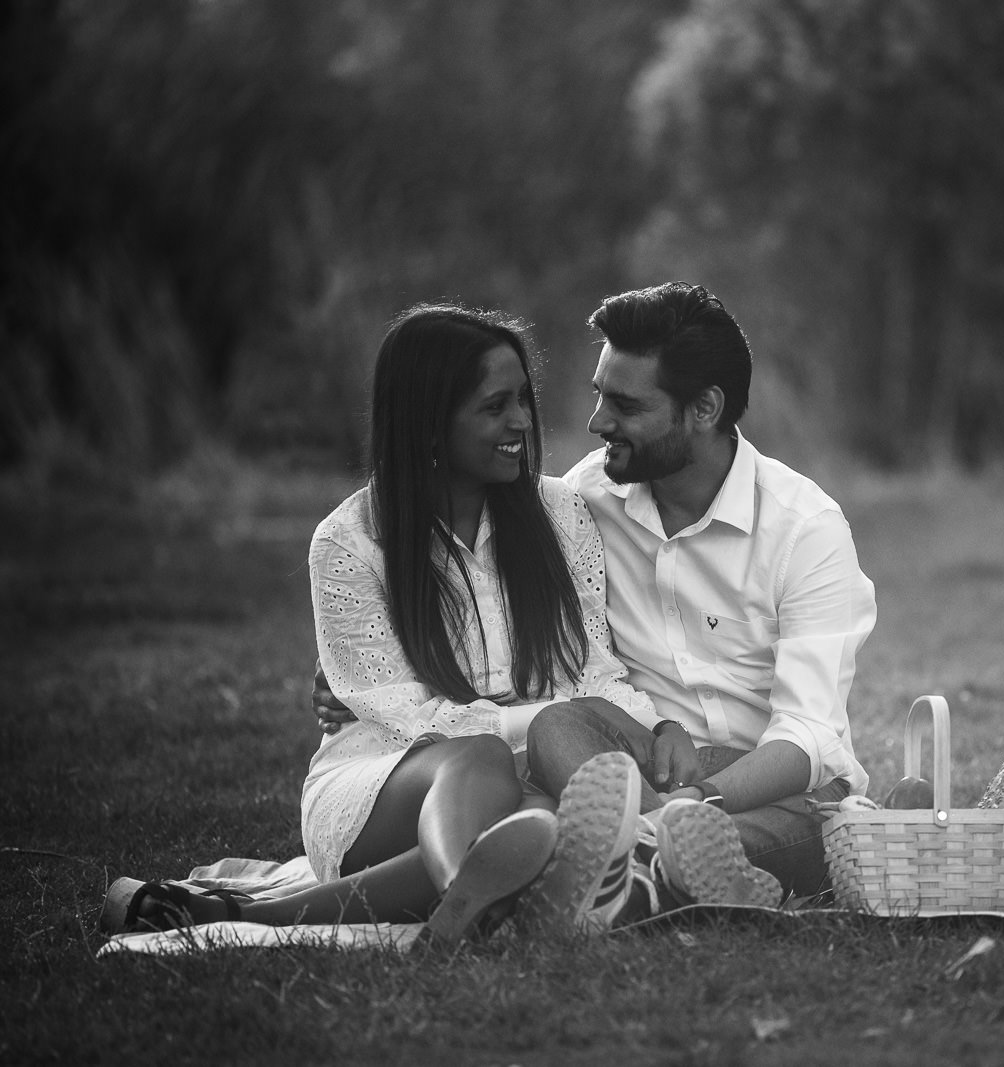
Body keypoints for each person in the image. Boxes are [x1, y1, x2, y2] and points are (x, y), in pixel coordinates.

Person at [101, 304, 653, 946]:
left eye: (524, 401)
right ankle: (462, 887)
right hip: (379, 781)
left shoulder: (561, 516)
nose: (522, 423)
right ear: (428, 423)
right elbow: (407, 717)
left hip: (514, 789)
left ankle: (261, 918)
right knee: (481, 757)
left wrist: (651, 725)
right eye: (496, 406)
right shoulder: (350, 541)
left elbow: (595, 672)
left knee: (543, 828)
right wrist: (547, 719)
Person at [323, 282, 878, 908]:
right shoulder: (583, 501)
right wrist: (354, 668)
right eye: (598, 396)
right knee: (558, 728)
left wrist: (696, 803)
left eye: (625, 405)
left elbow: (809, 734)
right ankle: (637, 871)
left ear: (704, 409)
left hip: (760, 783)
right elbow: (478, 598)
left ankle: (620, 864)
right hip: (623, 762)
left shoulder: (805, 528)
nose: (596, 424)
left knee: (824, 826)